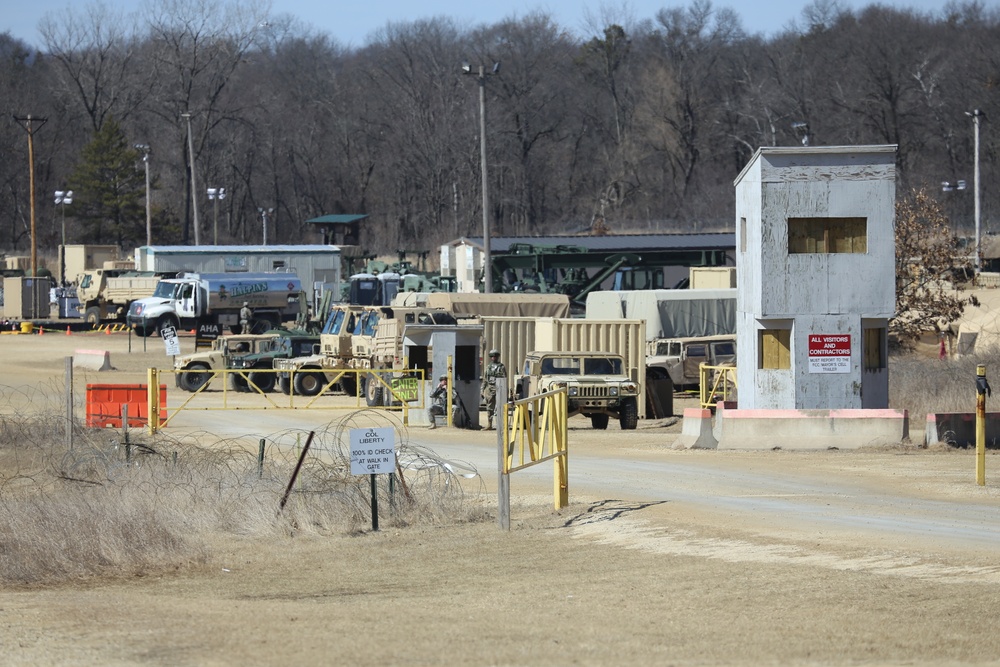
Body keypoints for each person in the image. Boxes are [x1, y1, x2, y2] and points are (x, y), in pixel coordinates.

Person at [482, 349, 507, 430]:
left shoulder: (501, 367)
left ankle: (501, 424)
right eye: (492, 356)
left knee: (500, 407)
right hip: (490, 388)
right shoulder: (488, 367)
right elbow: (485, 379)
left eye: (495, 356)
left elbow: (504, 378)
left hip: (499, 388)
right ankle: (490, 424)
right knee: (489, 407)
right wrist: (482, 390)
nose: (494, 358)